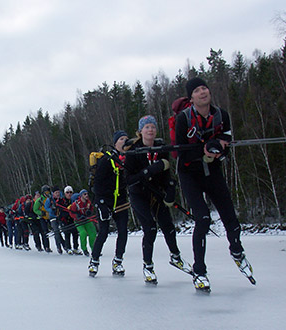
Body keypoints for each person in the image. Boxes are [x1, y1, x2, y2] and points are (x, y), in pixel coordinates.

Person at [174, 77, 252, 292]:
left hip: (212, 171)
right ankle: (199, 270)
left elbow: (226, 142)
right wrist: (204, 149)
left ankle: (237, 251)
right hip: (190, 173)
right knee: (203, 218)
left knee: (230, 217)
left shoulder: (221, 115)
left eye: (204, 88)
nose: (202, 92)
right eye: (197, 90)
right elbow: (180, 151)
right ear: (191, 97)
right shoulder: (183, 119)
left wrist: (220, 148)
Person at [124, 115, 191, 284]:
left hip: (156, 193)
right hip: (139, 193)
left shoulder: (161, 147)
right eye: (146, 127)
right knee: (150, 228)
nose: (150, 130)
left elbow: (167, 173)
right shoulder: (133, 150)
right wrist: (150, 170)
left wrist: (170, 189)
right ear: (140, 131)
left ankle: (176, 256)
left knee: (168, 225)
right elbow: (129, 179)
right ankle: (148, 265)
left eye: (152, 127)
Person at [88, 130, 131, 277]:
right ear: (115, 143)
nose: (125, 141)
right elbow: (97, 184)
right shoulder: (106, 160)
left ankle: (118, 261)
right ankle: (94, 261)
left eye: (126, 139)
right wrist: (100, 203)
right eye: (121, 139)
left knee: (123, 232)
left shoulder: (128, 159)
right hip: (105, 202)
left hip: (121, 202)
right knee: (104, 233)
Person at [68, 189, 96, 256]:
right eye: (84, 194)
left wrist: (89, 212)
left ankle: (94, 249)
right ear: (81, 196)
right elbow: (71, 212)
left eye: (87, 194)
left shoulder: (88, 203)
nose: (86, 195)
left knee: (93, 233)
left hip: (86, 220)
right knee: (83, 233)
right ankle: (84, 249)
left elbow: (91, 209)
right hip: (79, 221)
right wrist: (77, 216)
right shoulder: (76, 204)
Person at [59, 186, 81, 254]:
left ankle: (75, 248)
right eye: (67, 192)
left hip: (73, 219)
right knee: (67, 234)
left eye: (70, 192)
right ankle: (68, 248)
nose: (69, 194)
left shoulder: (74, 200)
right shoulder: (62, 201)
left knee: (75, 234)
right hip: (65, 219)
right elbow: (60, 211)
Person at [45, 186, 67, 254]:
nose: (57, 194)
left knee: (64, 230)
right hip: (53, 217)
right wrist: (51, 210)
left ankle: (65, 245)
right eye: (56, 193)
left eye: (58, 192)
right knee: (56, 231)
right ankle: (59, 247)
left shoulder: (62, 199)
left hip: (60, 216)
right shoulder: (49, 199)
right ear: (53, 193)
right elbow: (46, 207)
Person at [33, 185, 53, 253]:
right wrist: (42, 213)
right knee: (45, 232)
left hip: (50, 216)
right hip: (42, 218)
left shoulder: (51, 199)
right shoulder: (39, 200)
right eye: (46, 192)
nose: (47, 194)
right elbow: (35, 209)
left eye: (48, 192)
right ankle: (46, 246)